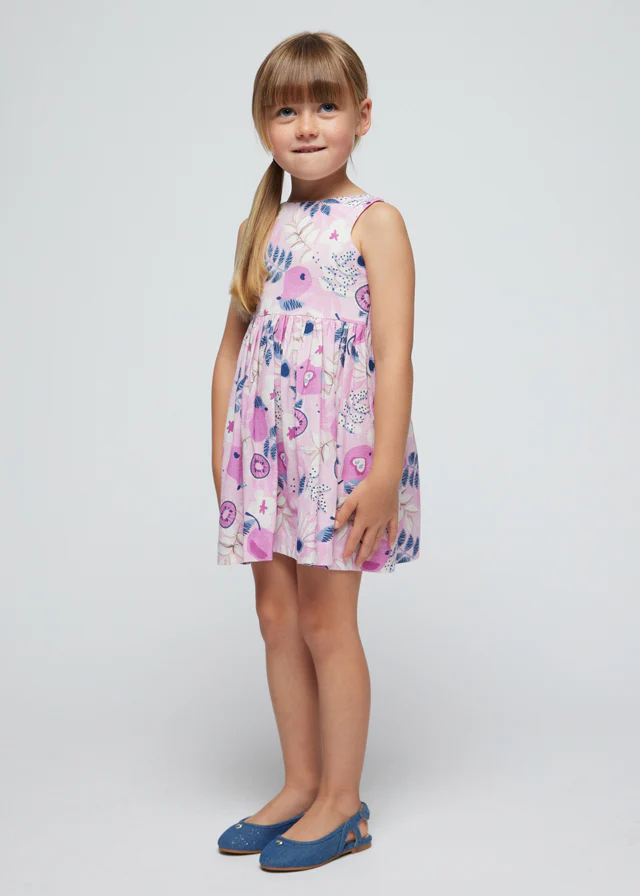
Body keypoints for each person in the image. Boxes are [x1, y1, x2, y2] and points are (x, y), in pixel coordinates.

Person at [211, 30, 421, 873]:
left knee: (328, 623)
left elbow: (395, 356)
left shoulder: (376, 223)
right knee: (276, 617)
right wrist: (224, 460)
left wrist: (383, 474)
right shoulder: (263, 224)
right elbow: (231, 351)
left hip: (340, 455)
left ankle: (344, 801)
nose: (306, 127)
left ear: (361, 117)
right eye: (286, 111)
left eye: (326, 107)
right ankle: (300, 784)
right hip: (267, 458)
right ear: (263, 124)